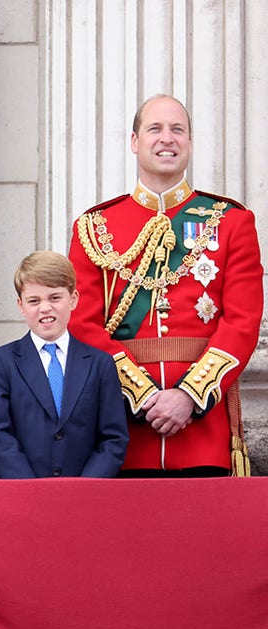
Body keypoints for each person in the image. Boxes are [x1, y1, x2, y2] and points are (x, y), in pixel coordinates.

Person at [67, 95, 263, 477]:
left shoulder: (231, 222)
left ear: (189, 143)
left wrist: (189, 396)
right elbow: (81, 323)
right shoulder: (94, 227)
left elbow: (242, 322)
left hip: (202, 433)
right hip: (121, 433)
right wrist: (142, 396)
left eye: (178, 130)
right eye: (155, 129)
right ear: (135, 142)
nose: (167, 139)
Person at [0, 251, 129, 478]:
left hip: (83, 495)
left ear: (74, 299)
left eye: (54, 297)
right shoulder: (1, 362)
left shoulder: (100, 364)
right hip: (21, 494)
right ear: (21, 306)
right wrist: (31, 489)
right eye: (34, 301)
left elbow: (113, 437)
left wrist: (84, 487)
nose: (45, 308)